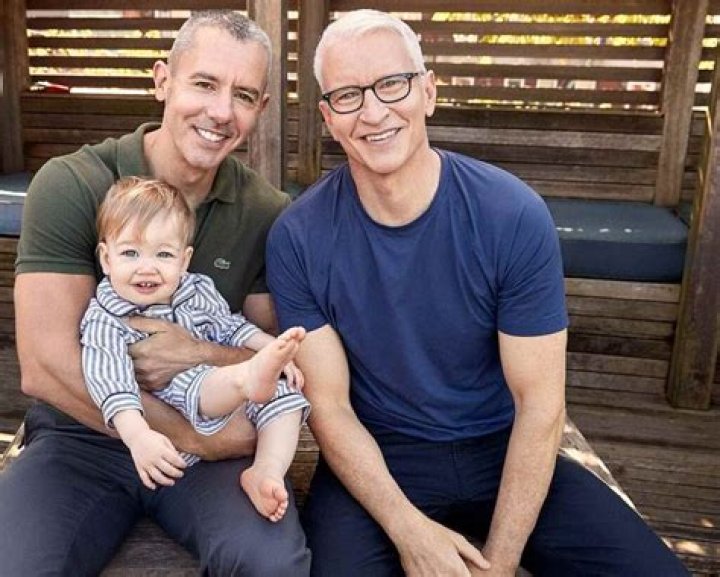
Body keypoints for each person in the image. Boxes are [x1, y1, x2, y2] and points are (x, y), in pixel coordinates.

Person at [266, 9, 690, 577]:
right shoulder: (298, 236)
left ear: (429, 91)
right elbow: (332, 409)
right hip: (381, 453)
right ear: (328, 117)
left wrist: (501, 563)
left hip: (502, 446)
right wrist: (410, 531)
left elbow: (540, 405)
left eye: (392, 84)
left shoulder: (510, 214)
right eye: (348, 95)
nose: (373, 111)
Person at [1, 10, 311, 576]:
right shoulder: (73, 183)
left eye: (243, 95)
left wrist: (198, 355)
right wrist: (185, 435)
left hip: (208, 433)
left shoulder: (265, 211)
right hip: (84, 433)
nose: (221, 111)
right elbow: (44, 367)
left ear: (262, 108)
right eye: (204, 83)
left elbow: (267, 351)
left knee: (269, 564)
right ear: (162, 79)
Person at [82, 176, 310, 522]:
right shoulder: (106, 317)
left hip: (225, 401)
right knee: (201, 382)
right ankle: (247, 377)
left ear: (184, 260)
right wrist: (138, 435)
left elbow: (228, 326)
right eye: (130, 253)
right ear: (106, 258)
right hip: (173, 409)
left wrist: (270, 346)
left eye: (164, 254)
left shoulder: (197, 290)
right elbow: (112, 386)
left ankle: (266, 470)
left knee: (286, 399)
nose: (147, 267)